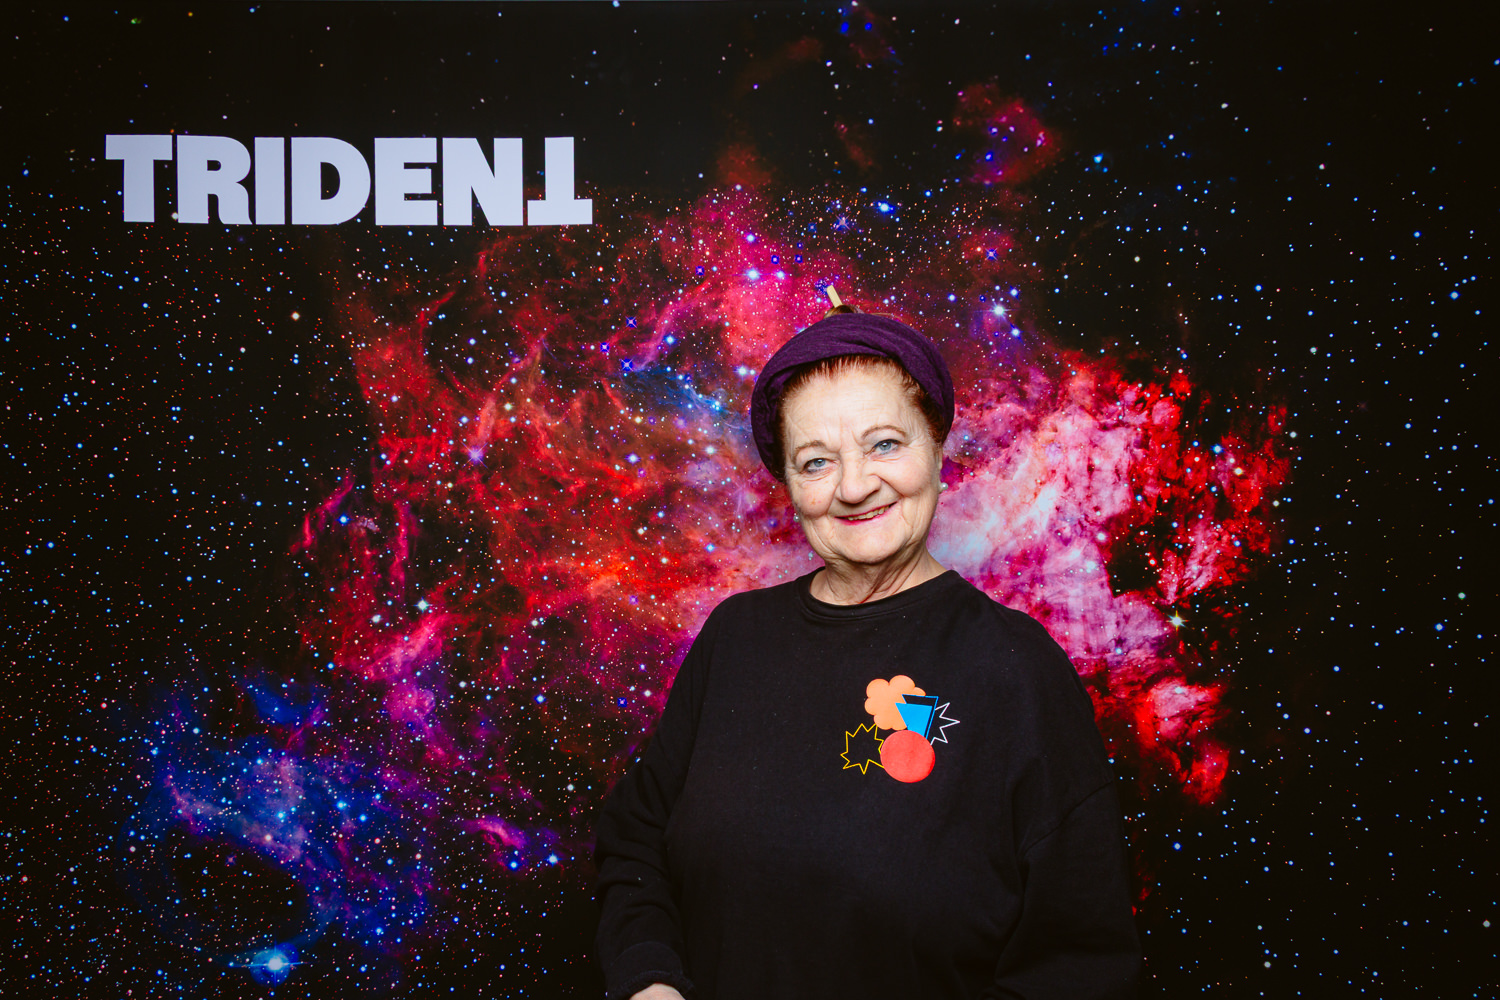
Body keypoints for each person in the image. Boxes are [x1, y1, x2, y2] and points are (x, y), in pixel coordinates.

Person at [593, 301, 1141, 1000]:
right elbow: (634, 841)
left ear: (937, 447)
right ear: (790, 486)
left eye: (884, 445)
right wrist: (648, 978)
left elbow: (1080, 966)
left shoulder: (1015, 667)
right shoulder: (736, 636)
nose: (853, 487)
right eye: (817, 462)